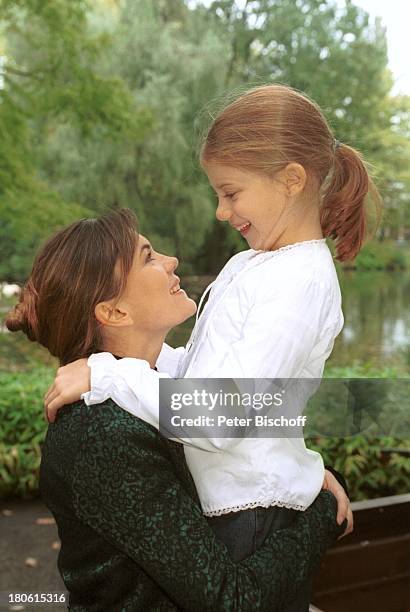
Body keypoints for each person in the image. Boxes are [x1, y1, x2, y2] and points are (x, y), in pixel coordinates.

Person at [44, 85, 374, 608]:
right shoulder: (255, 263)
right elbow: (204, 372)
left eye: (231, 192)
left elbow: (219, 414)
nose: (221, 212)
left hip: (251, 517)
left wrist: (110, 375)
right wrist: (112, 366)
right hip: (234, 505)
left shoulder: (301, 282)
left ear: (291, 180)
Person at [6, 209, 345, 611]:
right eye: (149, 257)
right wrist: (325, 515)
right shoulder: (103, 435)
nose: (172, 261)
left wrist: (301, 474)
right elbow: (232, 600)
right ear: (114, 312)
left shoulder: (148, 390)